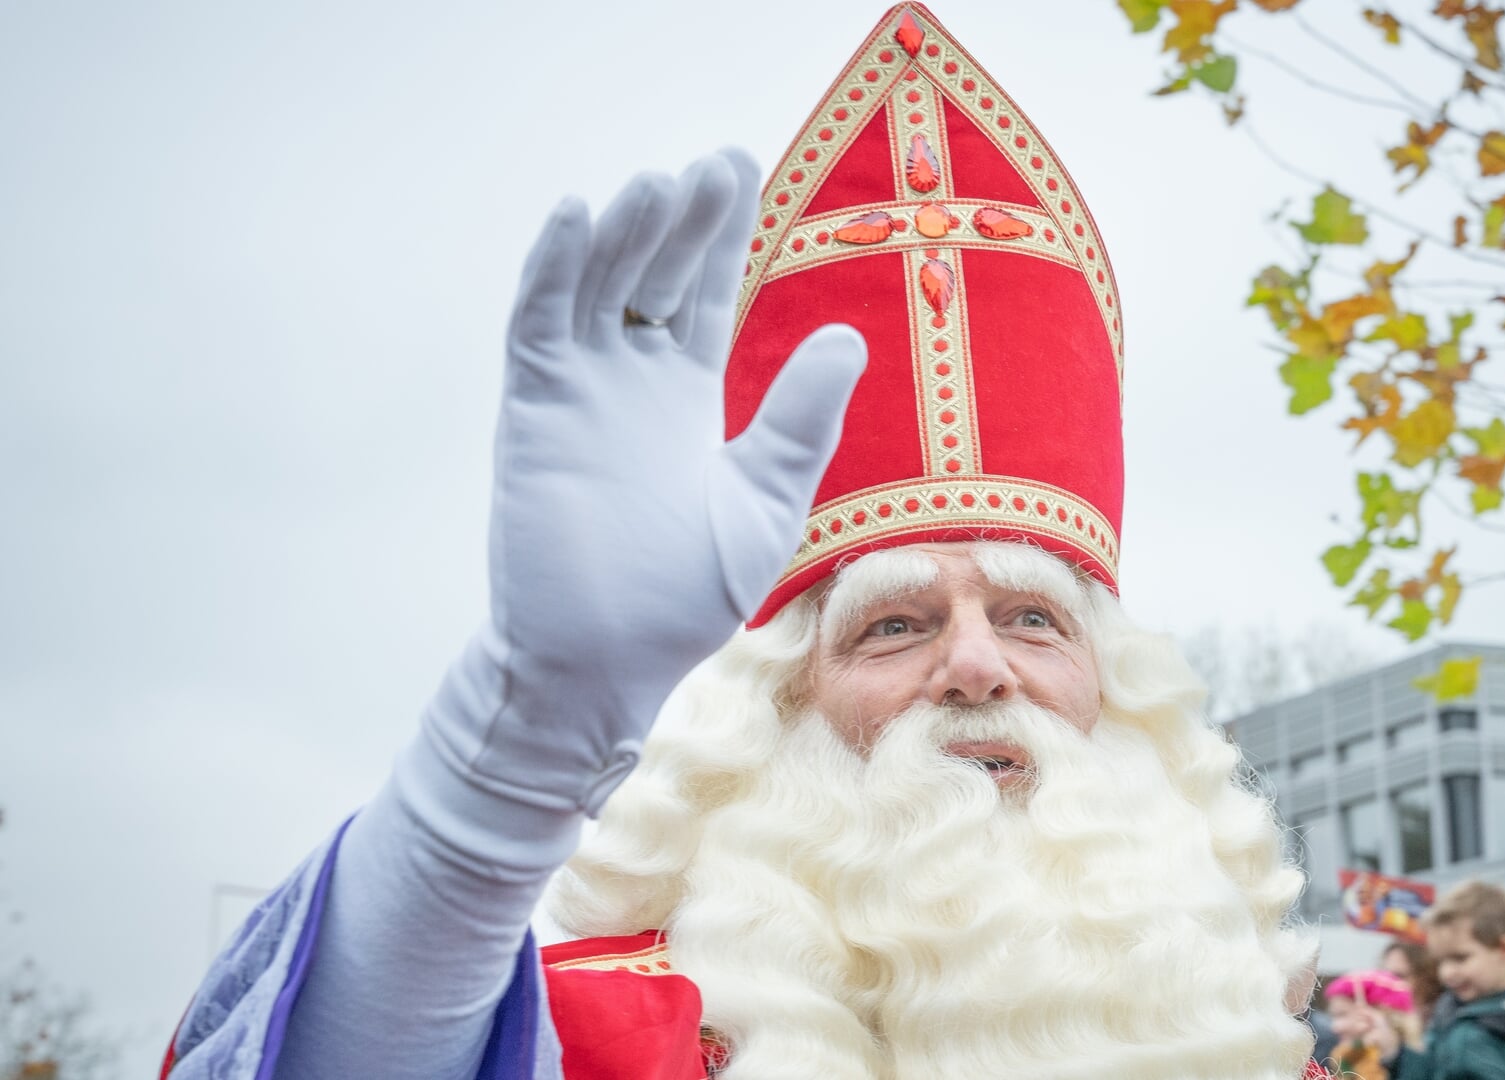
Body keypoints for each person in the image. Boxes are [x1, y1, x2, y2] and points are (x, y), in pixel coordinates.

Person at [157, 5, 1333, 1079]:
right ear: (780, 710)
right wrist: (522, 739)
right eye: (897, 624)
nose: (980, 667)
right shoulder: (609, 1042)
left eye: (1033, 618)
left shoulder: (1250, 1043)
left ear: (1114, 694)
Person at [1360, 881, 1505, 1080]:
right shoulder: (1448, 1009)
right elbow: (1428, 1072)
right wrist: (1394, 1053)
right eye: (1441, 961)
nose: (1447, 973)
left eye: (1460, 958)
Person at [1322, 969, 1421, 1080]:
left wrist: (1388, 1055)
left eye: (1342, 1014)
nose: (1335, 1027)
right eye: (1333, 1016)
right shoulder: (1340, 1060)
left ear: (1379, 1013)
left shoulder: (1422, 1066)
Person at [1380, 939, 1443, 1024]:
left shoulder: (1443, 1021)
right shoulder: (1382, 1020)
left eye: (1399, 977)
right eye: (1384, 977)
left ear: (1425, 977)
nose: (1387, 985)